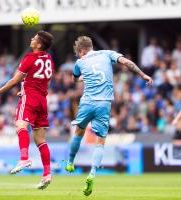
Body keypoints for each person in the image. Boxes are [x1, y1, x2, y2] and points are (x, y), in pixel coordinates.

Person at [65, 36, 153, 196]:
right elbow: (127, 63)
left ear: (82, 50)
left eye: (78, 53)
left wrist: (83, 77)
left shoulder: (80, 62)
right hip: (104, 103)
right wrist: (143, 75)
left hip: (87, 101)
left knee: (79, 131)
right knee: (100, 141)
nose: (79, 56)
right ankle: (92, 173)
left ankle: (70, 162)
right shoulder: (107, 54)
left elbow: (74, 78)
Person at [0, 30, 54, 189]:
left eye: (35, 38)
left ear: (39, 44)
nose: (32, 39)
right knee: (41, 141)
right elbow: (45, 80)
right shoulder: (49, 59)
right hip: (41, 100)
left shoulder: (30, 58)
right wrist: (29, 89)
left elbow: (15, 79)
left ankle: (24, 158)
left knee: (20, 125)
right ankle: (47, 174)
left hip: (31, 98)